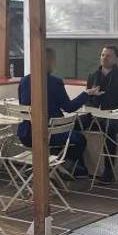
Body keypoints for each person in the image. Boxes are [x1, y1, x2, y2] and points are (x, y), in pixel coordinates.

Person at [17, 48, 102, 177]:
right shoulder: (55, 82)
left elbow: (23, 106)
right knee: (79, 139)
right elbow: (69, 107)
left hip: (26, 134)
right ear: (50, 61)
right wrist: (86, 93)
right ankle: (64, 168)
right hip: (48, 134)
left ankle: (59, 167)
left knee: (67, 133)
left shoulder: (24, 81)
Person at [85, 45, 118, 183]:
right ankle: (76, 165)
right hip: (95, 116)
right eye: (102, 55)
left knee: (109, 127)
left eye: (108, 56)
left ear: (117, 59)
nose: (104, 58)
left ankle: (108, 170)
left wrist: (110, 112)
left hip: (116, 118)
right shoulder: (93, 76)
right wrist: (93, 109)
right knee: (72, 123)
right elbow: (87, 100)